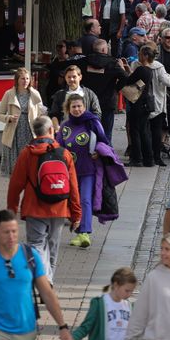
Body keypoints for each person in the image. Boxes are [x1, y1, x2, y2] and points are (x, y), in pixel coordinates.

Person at [0, 210, 73, 340]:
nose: (11, 236)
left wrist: (62, 326)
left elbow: (47, 293)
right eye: (6, 232)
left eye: (14, 231)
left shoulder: (30, 256)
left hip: (26, 332)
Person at [6, 116, 82, 282]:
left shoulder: (27, 153)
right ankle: (49, 280)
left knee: (36, 245)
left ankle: (41, 280)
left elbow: (15, 185)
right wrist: (76, 214)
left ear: (35, 132)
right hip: (59, 208)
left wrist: (12, 209)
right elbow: (74, 187)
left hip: (34, 208)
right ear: (51, 131)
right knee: (53, 246)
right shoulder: (64, 153)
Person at [56, 94, 112, 249]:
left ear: (84, 107)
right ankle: (78, 231)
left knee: (85, 200)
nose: (77, 109)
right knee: (74, 201)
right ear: (68, 108)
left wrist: (99, 151)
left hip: (89, 169)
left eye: (79, 106)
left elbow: (104, 141)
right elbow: (58, 146)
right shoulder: (65, 126)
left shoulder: (93, 123)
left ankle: (85, 232)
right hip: (70, 172)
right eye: (73, 106)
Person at [0, 67, 46, 177]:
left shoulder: (35, 94)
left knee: (30, 166)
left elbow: (41, 113)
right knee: (15, 169)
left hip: (30, 132)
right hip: (14, 133)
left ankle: (28, 191)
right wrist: (8, 118)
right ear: (17, 80)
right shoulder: (9, 94)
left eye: (27, 78)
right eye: (22, 79)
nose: (25, 81)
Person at [72, 267, 137, 340]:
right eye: (127, 291)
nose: (129, 294)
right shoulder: (99, 304)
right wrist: (73, 338)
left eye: (131, 291)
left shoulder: (129, 306)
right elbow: (86, 326)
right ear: (116, 285)